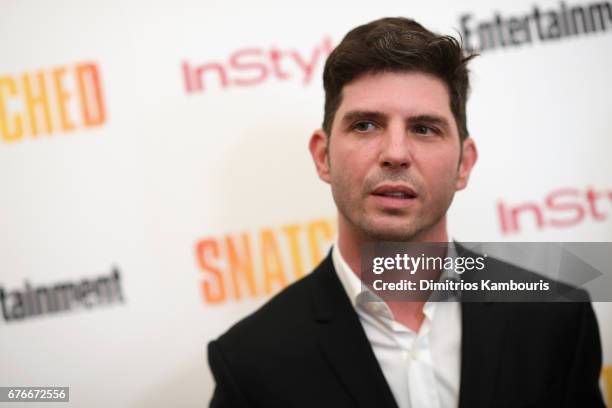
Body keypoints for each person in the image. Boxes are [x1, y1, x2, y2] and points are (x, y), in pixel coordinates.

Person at [207, 17, 605, 407]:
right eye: (365, 125)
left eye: (424, 128)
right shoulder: (249, 364)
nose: (395, 153)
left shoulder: (556, 320)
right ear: (322, 156)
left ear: (463, 164)